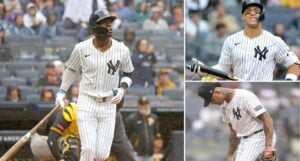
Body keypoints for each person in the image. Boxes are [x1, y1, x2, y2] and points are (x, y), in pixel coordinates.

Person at [55, 9, 134, 161]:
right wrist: (61, 91)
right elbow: (71, 69)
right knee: (89, 148)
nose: (109, 26)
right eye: (104, 23)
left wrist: (123, 88)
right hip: (87, 101)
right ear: (94, 28)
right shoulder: (81, 48)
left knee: (102, 154)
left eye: (110, 23)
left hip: (109, 104)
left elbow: (128, 73)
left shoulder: (121, 49)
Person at [188, 0, 300, 81]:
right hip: (239, 89)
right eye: (248, 11)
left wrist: (289, 79)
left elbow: (295, 64)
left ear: (262, 16)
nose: (252, 13)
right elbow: (223, 67)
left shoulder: (274, 41)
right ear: (242, 16)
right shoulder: (231, 40)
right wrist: (206, 70)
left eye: (256, 11)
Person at [30, 102, 136, 161]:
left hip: (61, 146)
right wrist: (60, 159)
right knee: (72, 142)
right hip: (41, 142)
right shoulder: (71, 110)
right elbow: (52, 139)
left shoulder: (98, 123)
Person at [197, 82, 277, 161]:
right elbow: (233, 132)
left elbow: (267, 119)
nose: (212, 103)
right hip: (244, 139)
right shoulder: (224, 108)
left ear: (217, 92)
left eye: (212, 100)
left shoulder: (244, 97)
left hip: (261, 135)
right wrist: (230, 154)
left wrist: (268, 146)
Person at [124, 96, 163, 161]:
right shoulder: (131, 119)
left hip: (150, 153)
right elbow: (125, 136)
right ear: (139, 106)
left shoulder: (154, 118)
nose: (145, 107)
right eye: (143, 105)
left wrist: (157, 148)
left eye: (147, 105)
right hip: (136, 153)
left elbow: (156, 134)